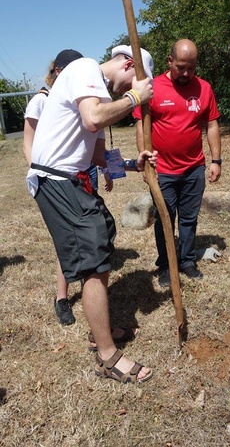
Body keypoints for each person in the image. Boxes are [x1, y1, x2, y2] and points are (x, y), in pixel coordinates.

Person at [26, 46, 156, 384]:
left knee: (100, 248)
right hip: (58, 180)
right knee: (94, 263)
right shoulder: (85, 69)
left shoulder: (93, 91)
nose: (133, 88)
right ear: (129, 65)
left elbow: (96, 152)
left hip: (72, 179)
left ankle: (102, 332)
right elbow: (93, 118)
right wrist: (134, 98)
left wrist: (130, 163)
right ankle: (108, 356)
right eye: (136, 79)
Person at [134, 39, 221, 288]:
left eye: (190, 68)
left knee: (189, 219)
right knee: (164, 219)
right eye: (180, 67)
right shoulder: (152, 88)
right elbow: (141, 124)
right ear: (170, 61)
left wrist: (216, 160)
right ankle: (165, 264)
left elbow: (212, 124)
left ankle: (186, 261)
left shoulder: (204, 88)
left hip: (194, 168)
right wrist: (145, 160)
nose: (185, 73)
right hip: (163, 171)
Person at [23, 51, 84, 326]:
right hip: (53, 177)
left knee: (86, 233)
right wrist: (40, 177)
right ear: (58, 71)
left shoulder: (77, 96)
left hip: (81, 172)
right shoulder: (41, 101)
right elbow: (29, 141)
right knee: (66, 239)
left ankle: (90, 282)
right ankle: (62, 297)